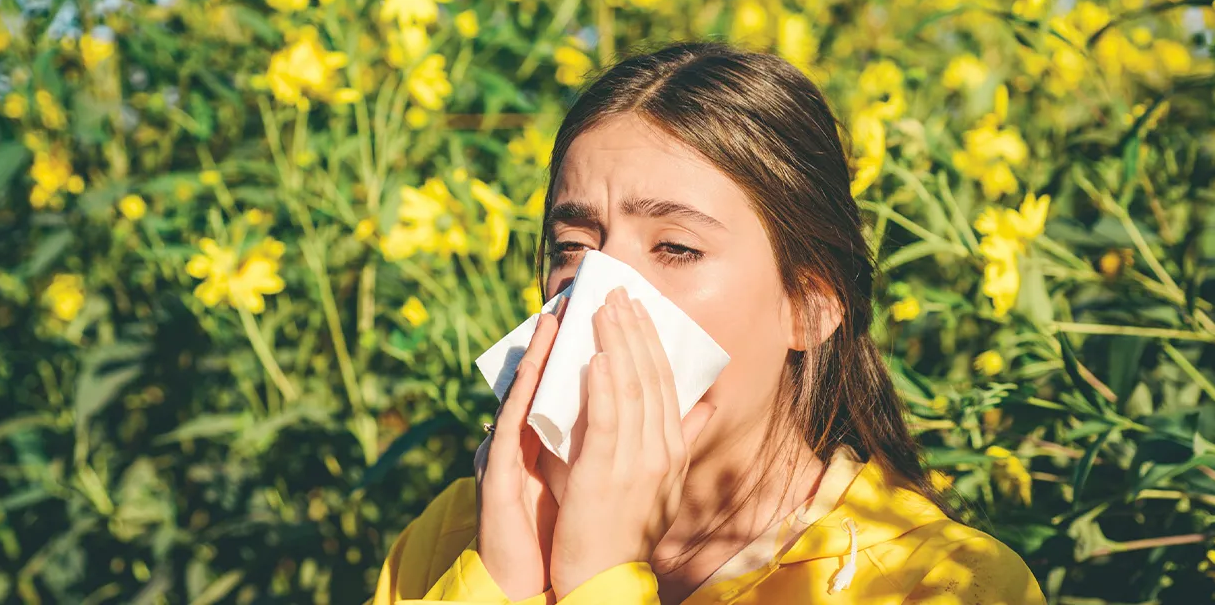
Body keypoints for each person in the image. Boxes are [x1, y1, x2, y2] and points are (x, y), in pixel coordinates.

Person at [367, 41, 1046, 604]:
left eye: (676, 249)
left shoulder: (944, 584)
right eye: (573, 246)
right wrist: (501, 581)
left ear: (811, 305)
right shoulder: (460, 529)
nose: (599, 295)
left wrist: (601, 578)